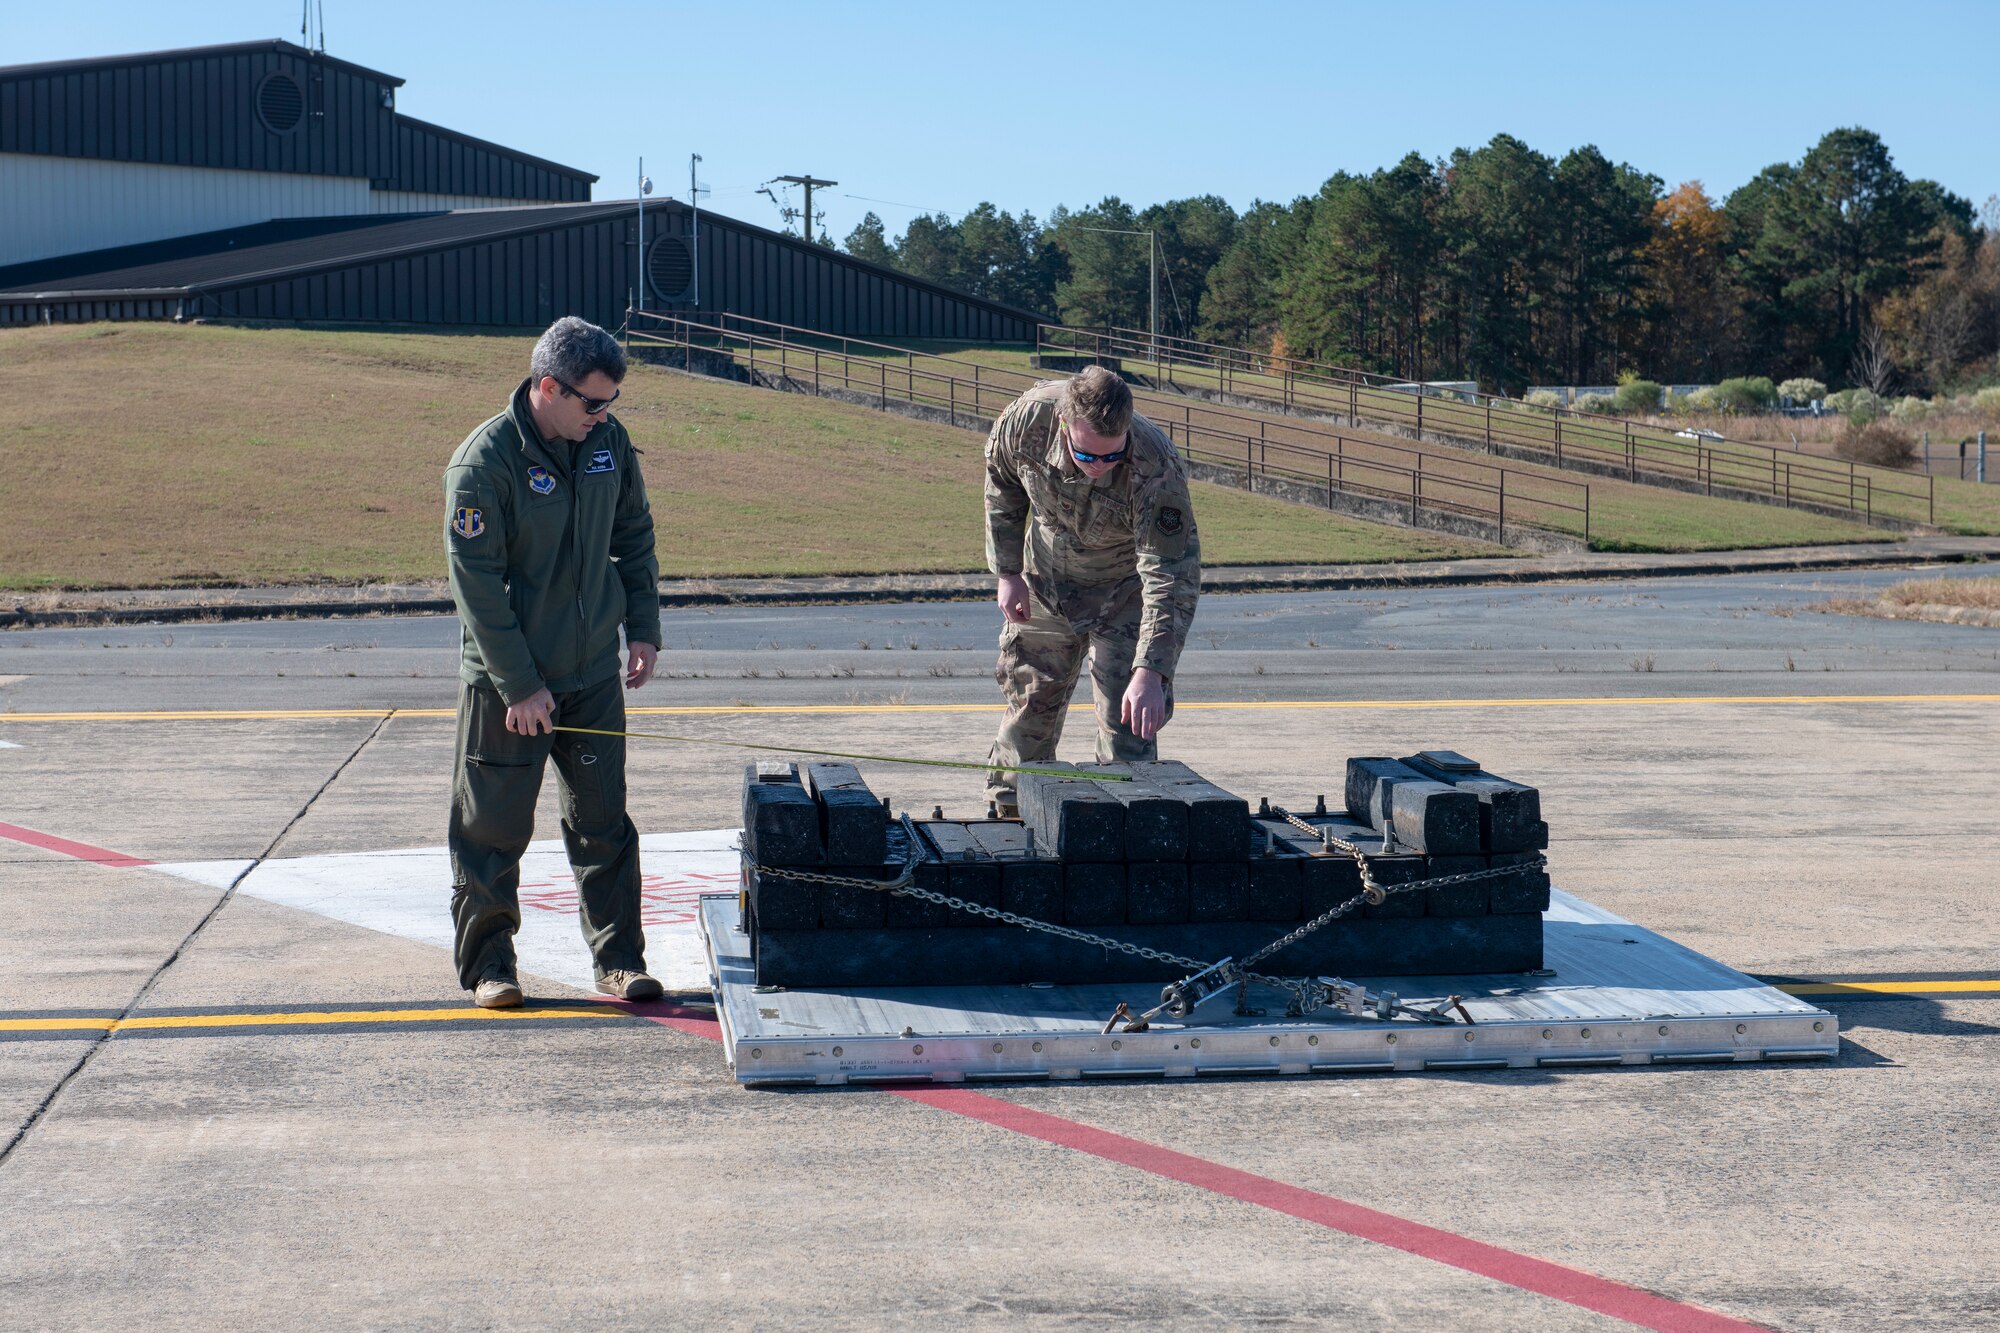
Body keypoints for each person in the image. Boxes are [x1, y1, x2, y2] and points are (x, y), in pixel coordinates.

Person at [443, 316, 663, 1009]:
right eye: (593, 403)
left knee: (604, 823)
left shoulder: (608, 445)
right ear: (549, 387)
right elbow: (476, 585)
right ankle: (489, 967)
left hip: (592, 673)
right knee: (491, 831)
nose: (604, 416)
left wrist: (644, 629)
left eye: (612, 403)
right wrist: (521, 683)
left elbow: (634, 535)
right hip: (508, 689)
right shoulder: (485, 463)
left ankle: (619, 960)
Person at [983, 367, 1201, 815]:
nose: (1099, 470)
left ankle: (1126, 825)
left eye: (1110, 457)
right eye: (1087, 456)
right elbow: (1002, 484)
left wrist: (1152, 670)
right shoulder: (1027, 421)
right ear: (1063, 424)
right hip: (1044, 580)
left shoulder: (1154, 462)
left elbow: (1170, 574)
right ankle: (1012, 816)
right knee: (1031, 705)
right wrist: (1007, 573)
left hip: (1124, 592)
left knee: (1130, 721)